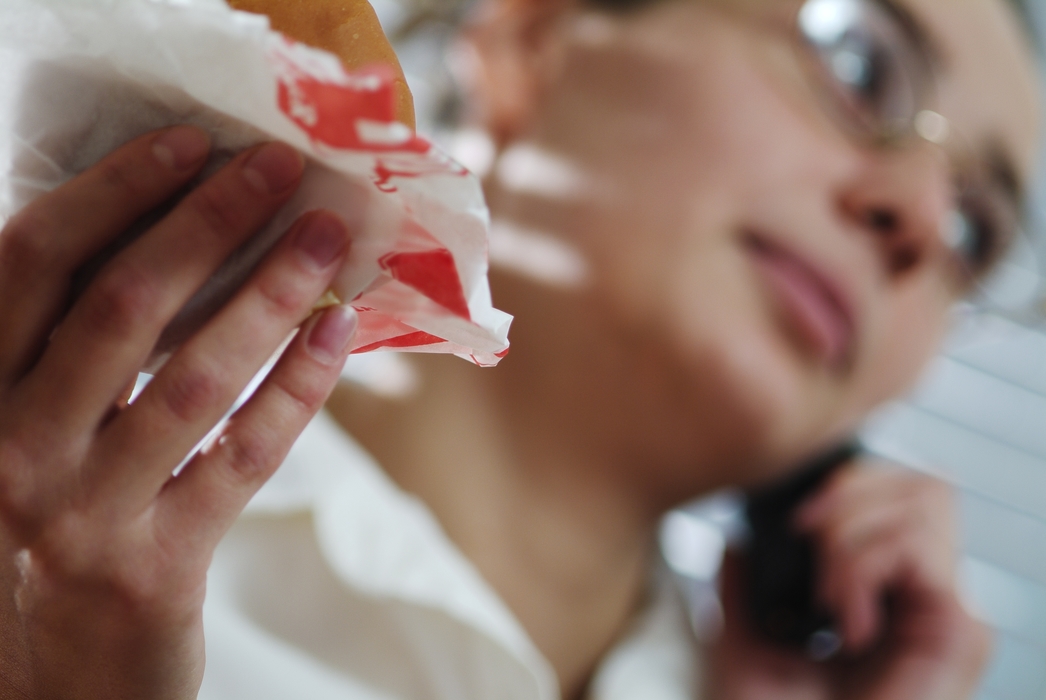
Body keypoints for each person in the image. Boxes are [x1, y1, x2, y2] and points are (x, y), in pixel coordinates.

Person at [0, 0, 1039, 698]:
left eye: (973, 232)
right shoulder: (42, 508)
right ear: (532, 40)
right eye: (859, 63)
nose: (915, 215)